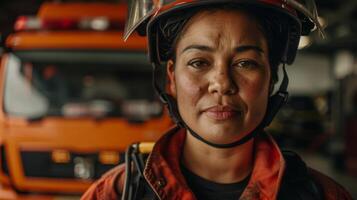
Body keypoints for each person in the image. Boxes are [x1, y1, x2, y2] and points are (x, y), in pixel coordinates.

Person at [82, 0, 353, 199]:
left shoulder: (323, 196)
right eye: (199, 62)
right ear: (171, 78)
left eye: (245, 63)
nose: (222, 84)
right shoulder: (115, 193)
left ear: (272, 78)